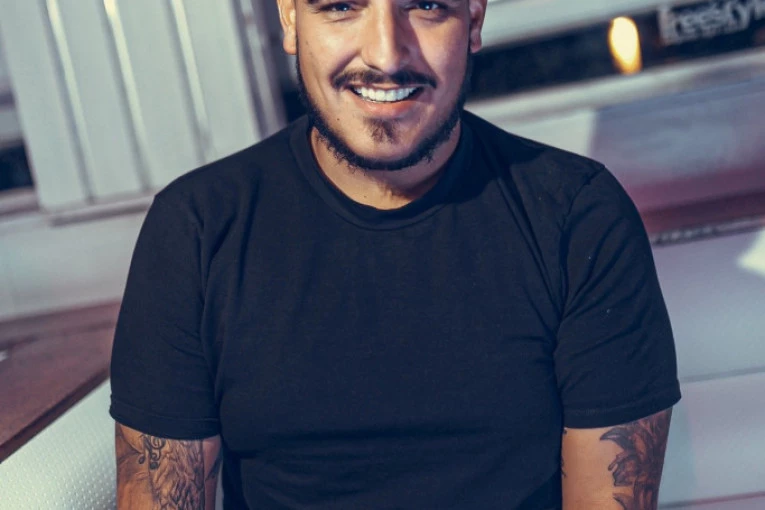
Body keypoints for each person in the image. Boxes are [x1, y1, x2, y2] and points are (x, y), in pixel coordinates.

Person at [110, 0, 681, 507]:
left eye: (425, 5)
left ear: (473, 19)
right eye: (341, 6)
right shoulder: (198, 229)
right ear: (289, 19)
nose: (385, 55)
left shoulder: (578, 217)